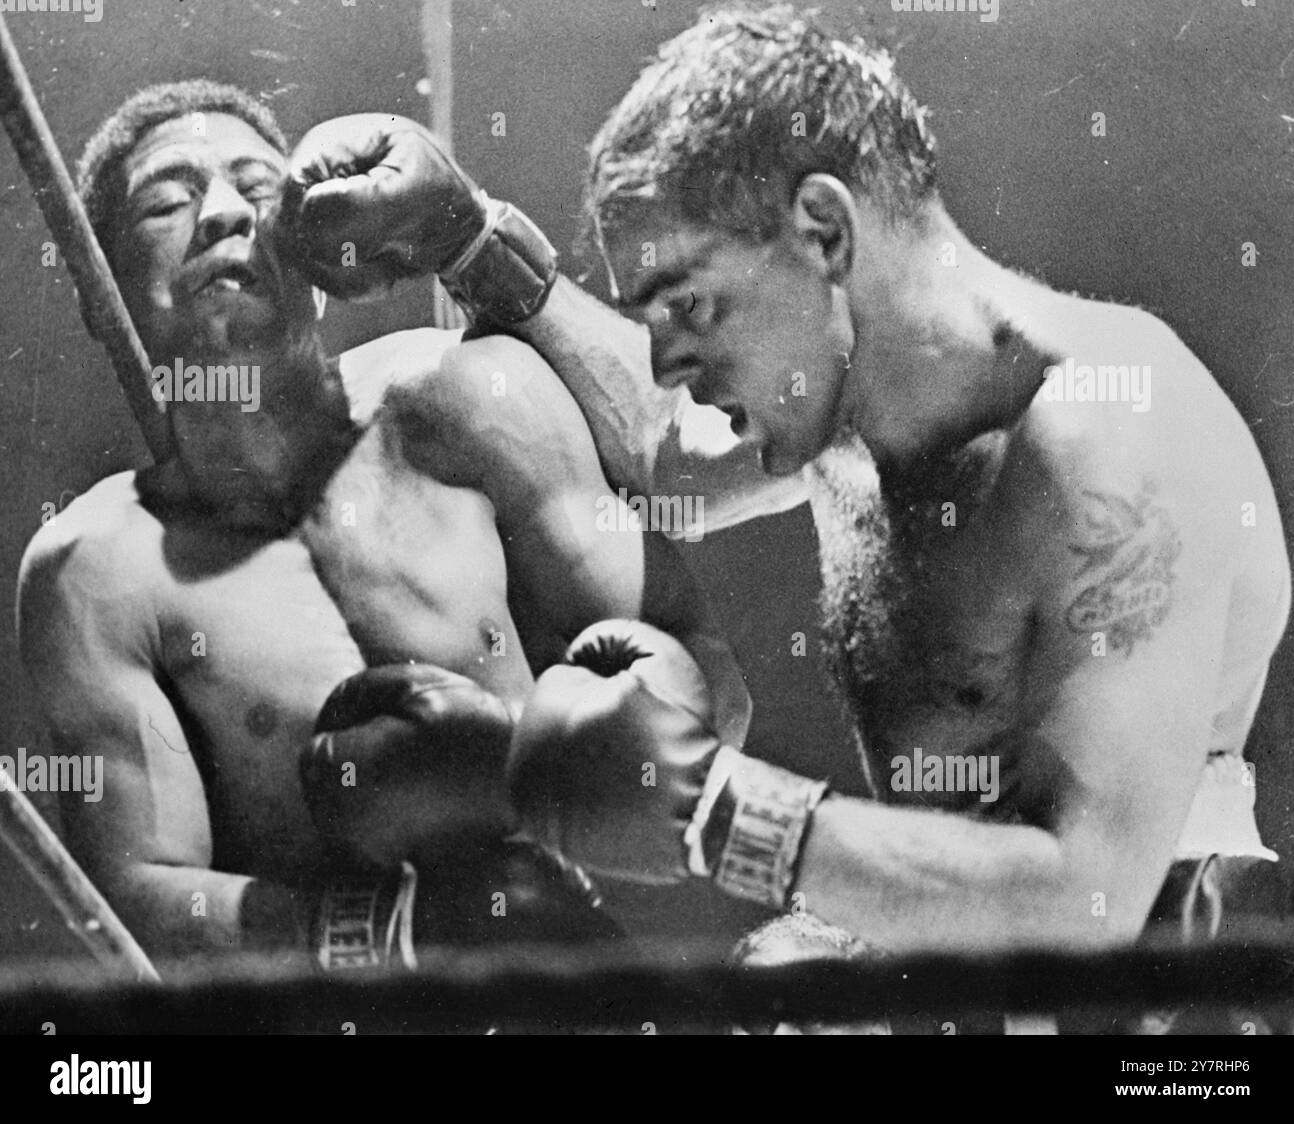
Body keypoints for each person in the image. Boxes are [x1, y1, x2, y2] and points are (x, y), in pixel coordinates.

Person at [279, 2, 1290, 971]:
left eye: (689, 304)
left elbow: (1091, 902)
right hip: (977, 989)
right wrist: (469, 239)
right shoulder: (839, 415)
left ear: (821, 230)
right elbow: (657, 451)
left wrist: (710, 806)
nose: (668, 361)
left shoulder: (1106, 436)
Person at [15, 80, 750, 978]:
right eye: (166, 203)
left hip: (587, 984)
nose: (219, 215)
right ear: (105, 296)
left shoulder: (470, 400)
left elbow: (707, 674)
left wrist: (565, 767)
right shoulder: (93, 567)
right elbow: (138, 898)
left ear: (319, 257)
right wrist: (401, 928)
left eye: (257, 188)